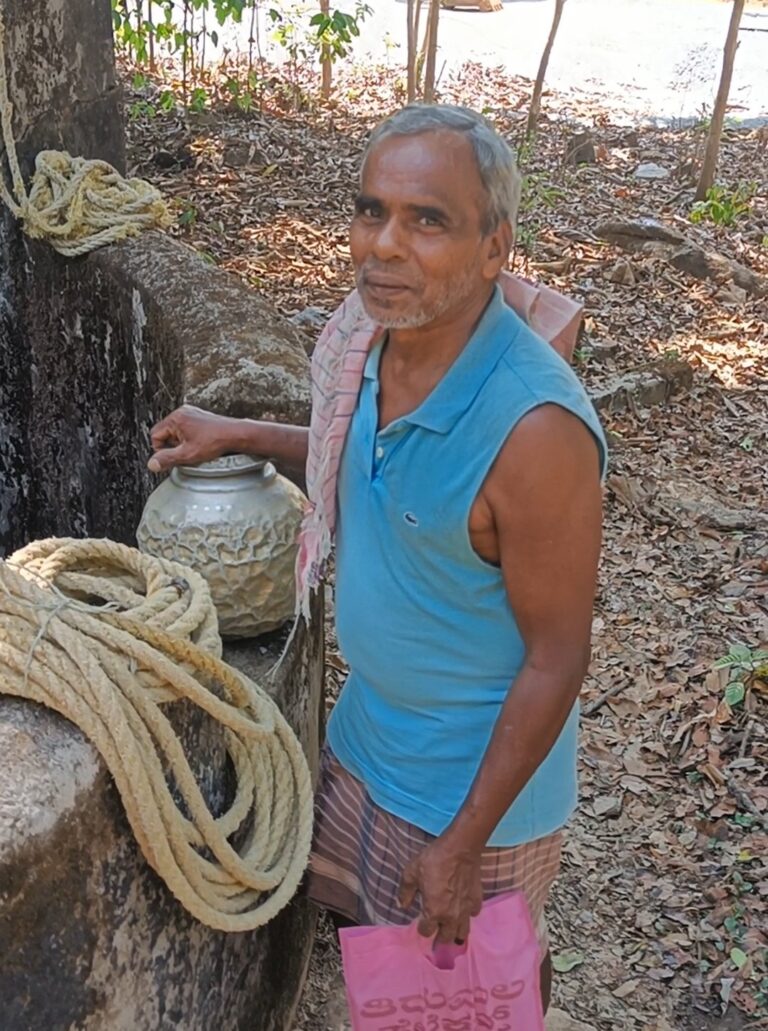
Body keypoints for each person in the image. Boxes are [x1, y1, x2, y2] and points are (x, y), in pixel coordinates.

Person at [148, 104, 606, 1013]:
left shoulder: (536, 433)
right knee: (393, 968)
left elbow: (560, 656)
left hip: (467, 795)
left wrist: (465, 844)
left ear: (493, 247)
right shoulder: (372, 346)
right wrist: (233, 432)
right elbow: (350, 450)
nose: (383, 246)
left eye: (428, 219)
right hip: (368, 743)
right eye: (371, 211)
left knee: (480, 983)